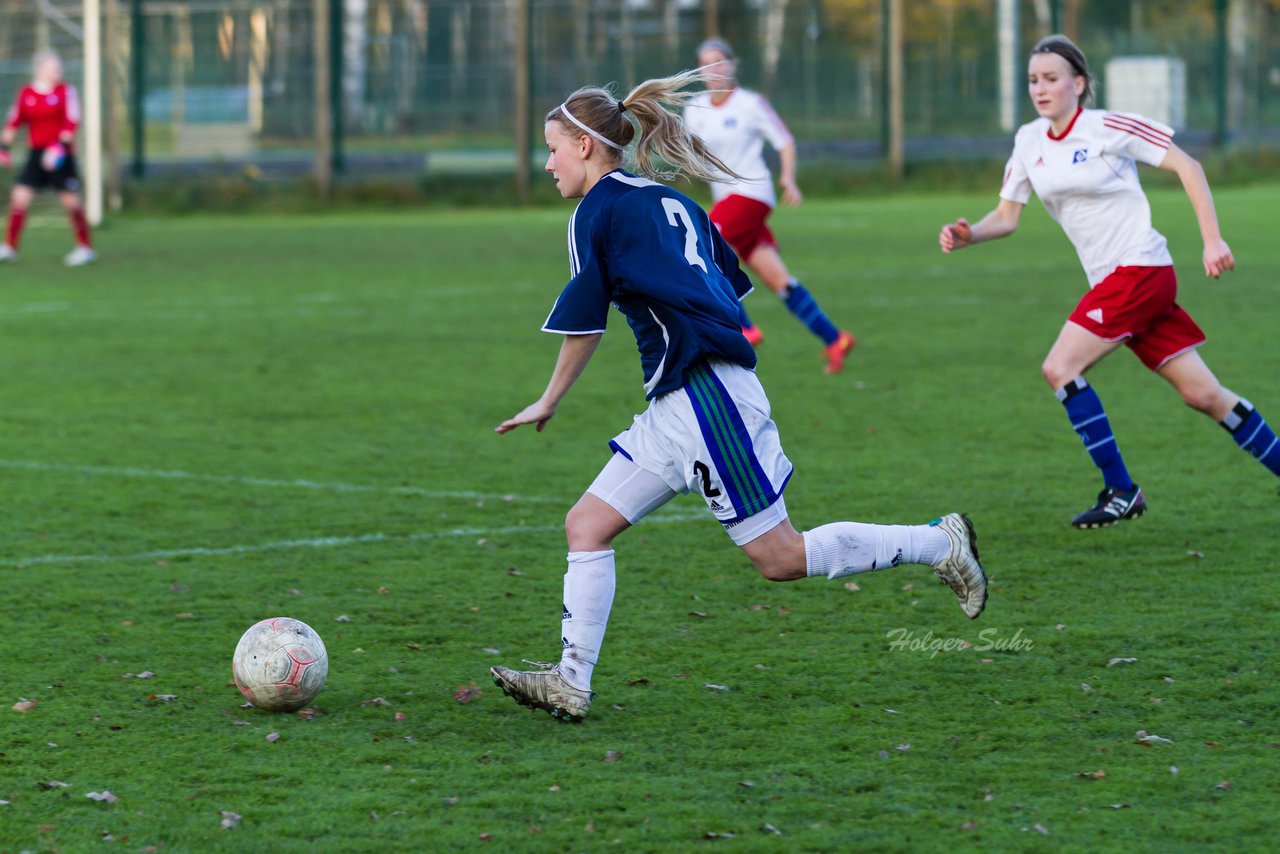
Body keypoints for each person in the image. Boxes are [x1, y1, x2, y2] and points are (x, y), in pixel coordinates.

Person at [489, 69, 987, 724]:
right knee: (586, 525)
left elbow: (587, 320)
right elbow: (730, 283)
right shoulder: (671, 202)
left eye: (552, 147)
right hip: (682, 400)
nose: (547, 160)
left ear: (585, 146)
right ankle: (571, 681)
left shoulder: (597, 209)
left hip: (706, 398)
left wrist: (549, 398)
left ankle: (940, 543)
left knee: (780, 557)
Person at [939, 35, 1279, 529]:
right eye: (1034, 79)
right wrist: (971, 234)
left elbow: (1189, 165)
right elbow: (1007, 216)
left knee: (1060, 367)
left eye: (1052, 78)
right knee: (1203, 395)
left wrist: (1212, 240)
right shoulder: (1028, 140)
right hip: (1117, 284)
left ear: (1079, 83)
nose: (1041, 88)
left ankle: (1121, 489)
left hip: (1139, 270)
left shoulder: (1106, 127)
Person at [684, 38, 855, 373]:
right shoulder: (694, 108)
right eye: (706, 64)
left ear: (732, 65)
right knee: (779, 280)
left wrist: (788, 178)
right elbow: (692, 153)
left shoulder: (750, 104)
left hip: (752, 193)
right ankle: (835, 339)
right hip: (728, 201)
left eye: (719, 62)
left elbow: (784, 140)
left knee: (704, 249)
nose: (714, 71)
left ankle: (746, 329)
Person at [0, 51, 96, 266]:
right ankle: (9, 247)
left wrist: (58, 147)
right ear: (40, 69)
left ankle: (85, 248)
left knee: (71, 201)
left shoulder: (66, 91)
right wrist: (4, 148)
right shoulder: (26, 93)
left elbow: (72, 122)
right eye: (53, 67)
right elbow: (13, 122)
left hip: (61, 154)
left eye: (59, 67)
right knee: (20, 196)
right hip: (36, 154)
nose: (58, 71)